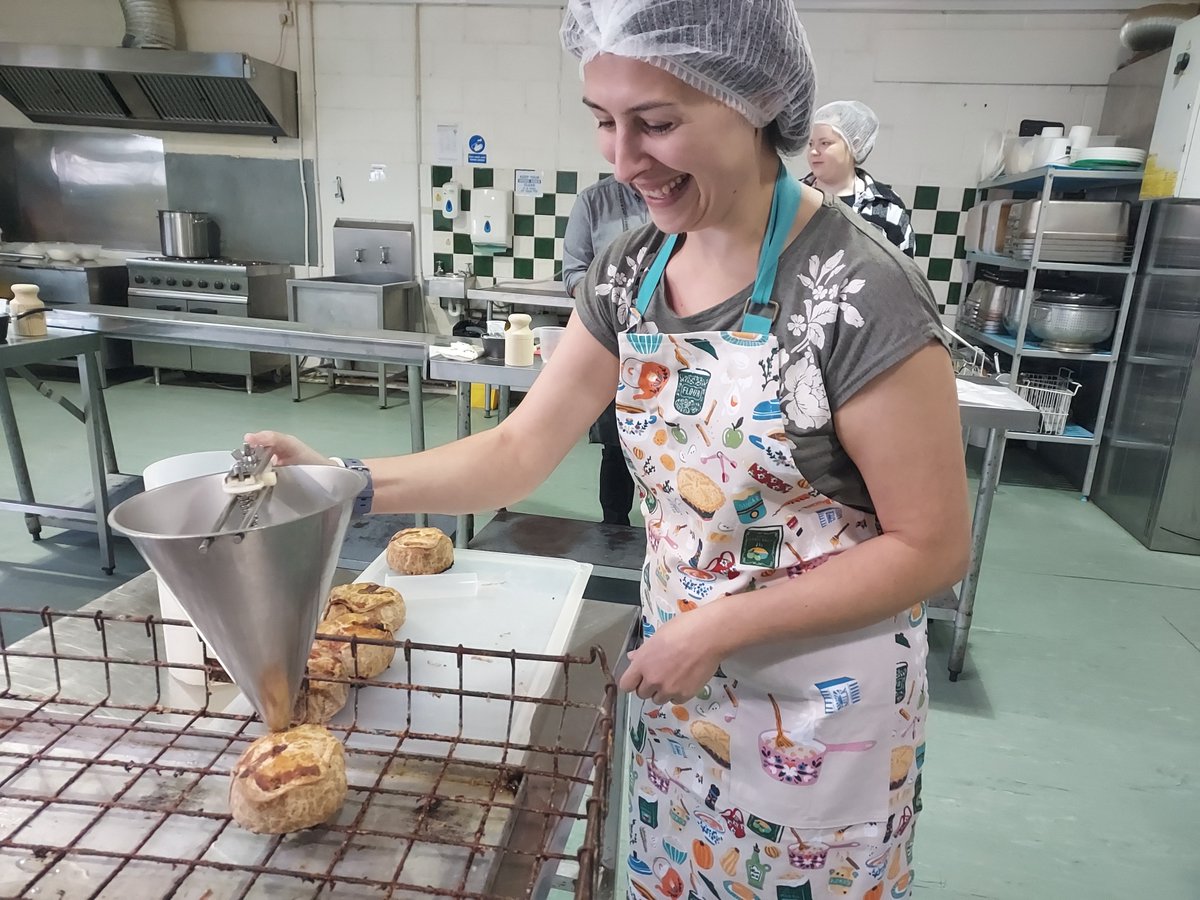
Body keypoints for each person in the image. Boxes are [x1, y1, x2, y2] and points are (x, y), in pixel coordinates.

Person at [248, 1, 969, 896]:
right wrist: (343, 485)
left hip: (818, 714)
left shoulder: (856, 293)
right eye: (604, 122)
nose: (623, 161)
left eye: (657, 124)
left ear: (756, 102)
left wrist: (723, 625)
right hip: (680, 685)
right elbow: (517, 449)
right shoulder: (631, 270)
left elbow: (932, 544)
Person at [562, 175, 650, 525]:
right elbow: (573, 273)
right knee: (616, 444)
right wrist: (614, 301)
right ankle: (614, 533)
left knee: (677, 443)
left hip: (673, 346)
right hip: (616, 344)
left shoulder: (689, 191)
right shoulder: (592, 203)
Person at [804, 100, 918, 256]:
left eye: (825, 143)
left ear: (855, 145)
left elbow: (904, 270)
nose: (814, 152)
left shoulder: (886, 207)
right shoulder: (792, 198)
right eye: (811, 144)